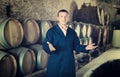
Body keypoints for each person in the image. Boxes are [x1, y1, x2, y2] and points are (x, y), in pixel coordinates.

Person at [42, 9, 98, 77]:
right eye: (61, 16)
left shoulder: (72, 32)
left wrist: (86, 47)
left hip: (68, 63)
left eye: (65, 16)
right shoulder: (51, 31)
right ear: (58, 18)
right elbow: (45, 44)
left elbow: (76, 46)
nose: (64, 18)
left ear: (68, 18)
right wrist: (49, 47)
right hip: (56, 63)